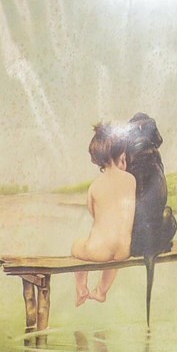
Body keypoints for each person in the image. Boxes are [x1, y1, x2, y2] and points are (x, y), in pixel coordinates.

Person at [73, 122, 135, 303]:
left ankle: (82, 287)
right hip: (125, 249)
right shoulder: (131, 179)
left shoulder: (95, 185)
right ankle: (101, 291)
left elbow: (92, 211)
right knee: (113, 250)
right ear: (122, 155)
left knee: (77, 245)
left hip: (98, 250)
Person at [121, 112, 177, 261]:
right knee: (166, 213)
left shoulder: (127, 162)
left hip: (135, 245)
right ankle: (158, 245)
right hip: (157, 238)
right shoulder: (154, 158)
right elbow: (159, 141)